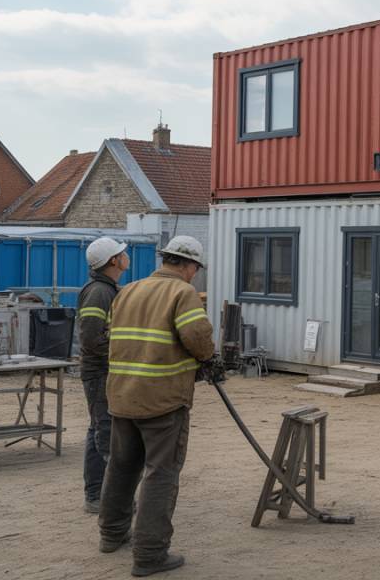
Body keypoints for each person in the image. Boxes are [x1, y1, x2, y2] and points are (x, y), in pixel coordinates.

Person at [98, 236, 214, 577]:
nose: (194, 274)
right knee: (161, 474)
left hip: (122, 396)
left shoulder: (129, 290)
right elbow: (197, 336)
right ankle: (149, 554)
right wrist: (207, 358)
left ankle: (111, 534)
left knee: (121, 467)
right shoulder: (183, 293)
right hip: (162, 401)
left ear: (165, 259)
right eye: (195, 269)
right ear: (189, 266)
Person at [76, 237, 130, 513]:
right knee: (105, 434)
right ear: (113, 261)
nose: (126, 255)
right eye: (122, 252)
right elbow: (91, 340)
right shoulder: (98, 292)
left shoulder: (109, 289)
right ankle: (105, 499)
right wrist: (126, 349)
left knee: (97, 430)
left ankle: (96, 494)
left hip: (104, 371)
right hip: (99, 374)